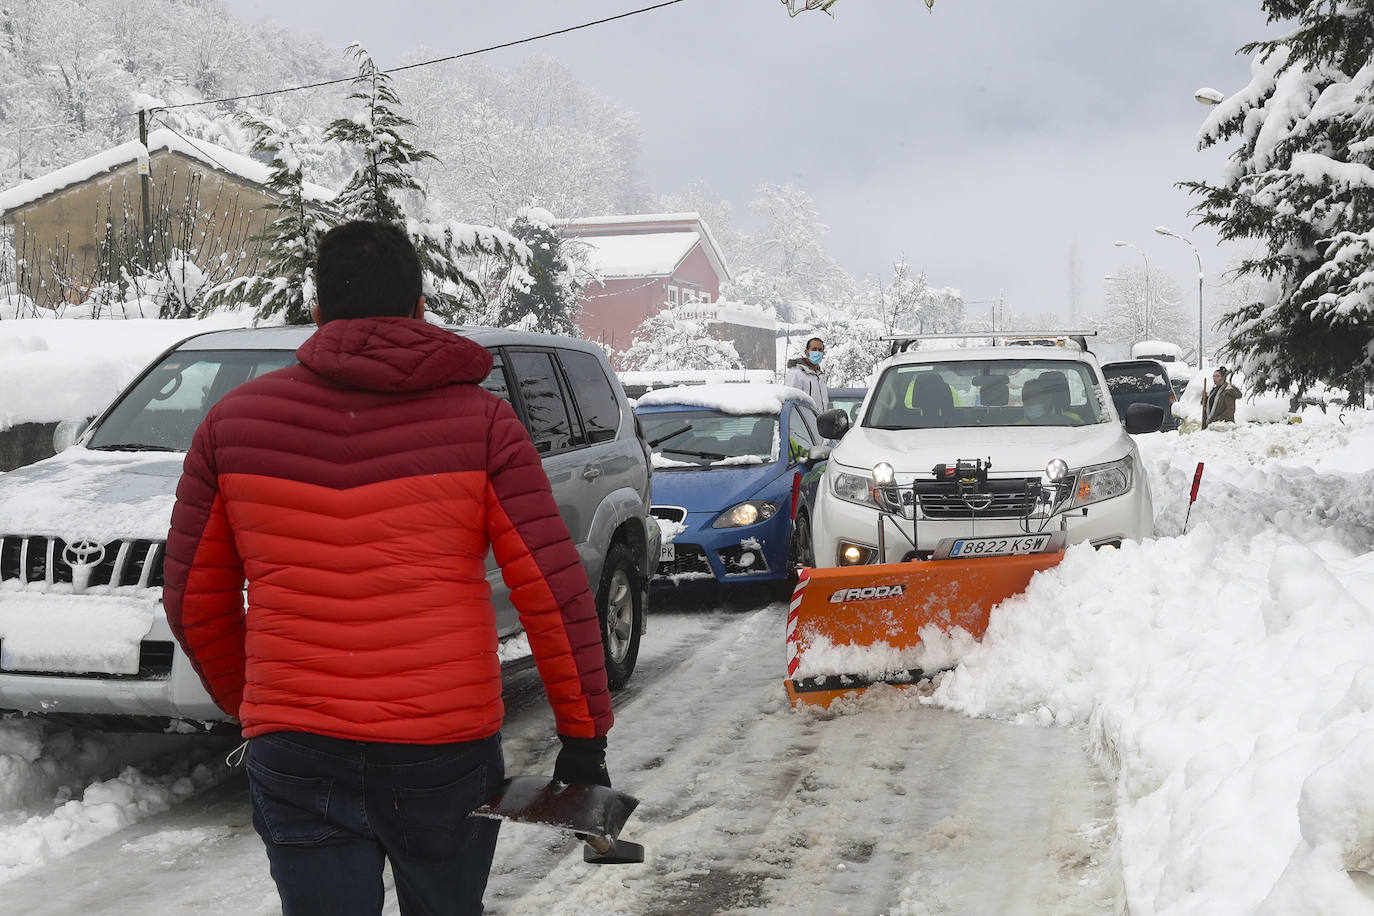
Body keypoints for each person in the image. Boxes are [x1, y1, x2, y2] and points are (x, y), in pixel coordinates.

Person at [163, 221, 612, 916]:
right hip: (444, 747)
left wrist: (256, 704)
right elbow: (553, 591)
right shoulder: (484, 425)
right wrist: (583, 739)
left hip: (296, 743)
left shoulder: (232, 424)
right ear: (420, 307)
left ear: (316, 314)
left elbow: (192, 597)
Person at [784, 336, 830, 411]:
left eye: (820, 350)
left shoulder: (821, 376)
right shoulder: (796, 373)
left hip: (820, 420)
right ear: (806, 352)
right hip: (803, 421)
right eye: (814, 349)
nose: (817, 352)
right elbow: (789, 403)